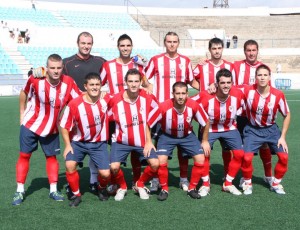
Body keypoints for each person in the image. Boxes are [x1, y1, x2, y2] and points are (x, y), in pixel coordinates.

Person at [33, 31, 107, 192]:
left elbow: (115, 74)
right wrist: (36, 71)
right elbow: (52, 74)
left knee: (94, 141)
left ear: (92, 44)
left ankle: (94, 180)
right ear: (78, 43)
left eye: (89, 43)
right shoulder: (67, 63)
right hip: (73, 111)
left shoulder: (101, 62)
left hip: (94, 110)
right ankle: (71, 183)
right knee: (74, 147)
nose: (86, 46)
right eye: (83, 43)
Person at [12, 54, 81, 206]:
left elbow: (79, 100)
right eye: (52, 68)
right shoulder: (36, 79)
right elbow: (24, 93)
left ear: (63, 68)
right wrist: (22, 113)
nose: (56, 71)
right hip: (30, 124)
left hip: (51, 128)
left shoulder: (68, 82)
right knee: (24, 155)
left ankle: (53, 190)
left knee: (51, 158)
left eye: (58, 68)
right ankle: (20, 190)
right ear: (47, 68)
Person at [145, 31, 199, 192]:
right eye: (169, 41)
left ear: (178, 43)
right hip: (161, 110)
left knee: (183, 147)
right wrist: (149, 88)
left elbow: (191, 81)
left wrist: (206, 89)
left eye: (175, 41)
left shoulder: (185, 61)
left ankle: (183, 178)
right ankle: (155, 179)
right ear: (165, 43)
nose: (172, 44)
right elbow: (144, 77)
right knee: (156, 146)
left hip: (181, 109)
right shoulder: (156, 60)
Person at [100, 34, 148, 193]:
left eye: (128, 45)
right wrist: (105, 97)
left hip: (135, 112)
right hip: (115, 114)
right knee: (115, 147)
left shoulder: (138, 65)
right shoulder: (108, 65)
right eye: (122, 45)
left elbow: (146, 85)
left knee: (135, 148)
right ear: (118, 47)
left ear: (132, 47)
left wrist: (144, 64)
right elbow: (98, 85)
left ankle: (136, 181)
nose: (125, 48)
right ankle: (114, 182)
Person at [148, 82, 210, 201]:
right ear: (173, 94)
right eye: (177, 93)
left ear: (187, 94)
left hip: (187, 136)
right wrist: (149, 142)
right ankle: (164, 189)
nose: (180, 96)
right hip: (167, 136)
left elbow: (206, 121)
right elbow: (148, 123)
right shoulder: (164, 106)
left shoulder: (194, 105)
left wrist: (205, 140)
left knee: (200, 158)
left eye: (183, 93)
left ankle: (192, 188)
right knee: (161, 160)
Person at [60, 73, 111, 207]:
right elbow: (64, 126)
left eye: (97, 85)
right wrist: (67, 145)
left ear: (101, 86)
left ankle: (101, 187)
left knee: (105, 174)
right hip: (78, 143)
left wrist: (145, 87)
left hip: (99, 144)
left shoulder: (106, 99)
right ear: (85, 86)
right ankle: (76, 194)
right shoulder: (74, 104)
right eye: (92, 85)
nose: (95, 87)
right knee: (70, 165)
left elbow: (125, 95)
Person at [192, 68, 245, 196]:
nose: (226, 85)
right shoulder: (206, 95)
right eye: (222, 83)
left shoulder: (238, 94)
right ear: (216, 84)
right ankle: (205, 184)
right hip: (209, 129)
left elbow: (250, 95)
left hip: (230, 128)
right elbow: (189, 104)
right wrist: (200, 121)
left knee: (240, 155)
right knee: (204, 154)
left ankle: (228, 183)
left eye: (228, 82)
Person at [109, 68, 159, 201]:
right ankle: (123, 187)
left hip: (142, 142)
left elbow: (158, 112)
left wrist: (150, 140)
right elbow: (107, 117)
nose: (133, 84)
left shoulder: (148, 97)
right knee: (114, 167)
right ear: (125, 82)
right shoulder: (115, 100)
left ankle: (139, 184)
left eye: (136, 81)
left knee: (155, 164)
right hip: (121, 142)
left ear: (140, 82)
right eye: (130, 81)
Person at [240, 64, 290, 195]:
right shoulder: (247, 90)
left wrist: (282, 137)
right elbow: (230, 89)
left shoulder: (278, 94)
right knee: (246, 158)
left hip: (271, 130)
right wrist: (214, 86)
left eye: (265, 75)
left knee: (284, 157)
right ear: (255, 77)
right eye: (259, 75)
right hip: (252, 130)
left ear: (269, 77)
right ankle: (247, 183)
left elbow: (287, 114)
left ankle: (276, 183)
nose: (262, 78)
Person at [233, 40, 273, 187]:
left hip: (259, 115)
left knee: (264, 146)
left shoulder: (264, 68)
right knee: (243, 147)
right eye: (248, 50)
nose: (251, 53)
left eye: (253, 50)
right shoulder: (236, 66)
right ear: (244, 52)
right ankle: (245, 177)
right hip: (241, 114)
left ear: (257, 51)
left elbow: (269, 90)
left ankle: (268, 175)